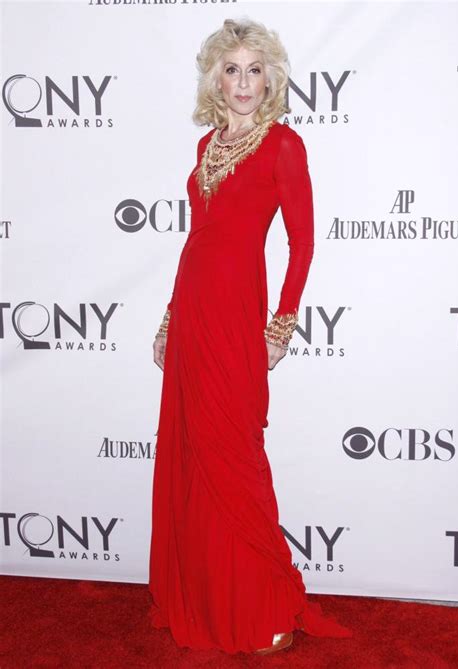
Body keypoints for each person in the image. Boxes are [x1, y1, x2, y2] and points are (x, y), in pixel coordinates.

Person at [148, 17, 353, 656]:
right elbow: (198, 240)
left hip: (238, 316)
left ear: (271, 79)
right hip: (194, 313)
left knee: (234, 456)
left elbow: (302, 242)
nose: (242, 82)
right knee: (194, 458)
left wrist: (283, 324)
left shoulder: (283, 146)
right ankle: (208, 601)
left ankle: (261, 606)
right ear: (216, 78)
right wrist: (169, 317)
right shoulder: (207, 145)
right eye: (231, 69)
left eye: (254, 70)